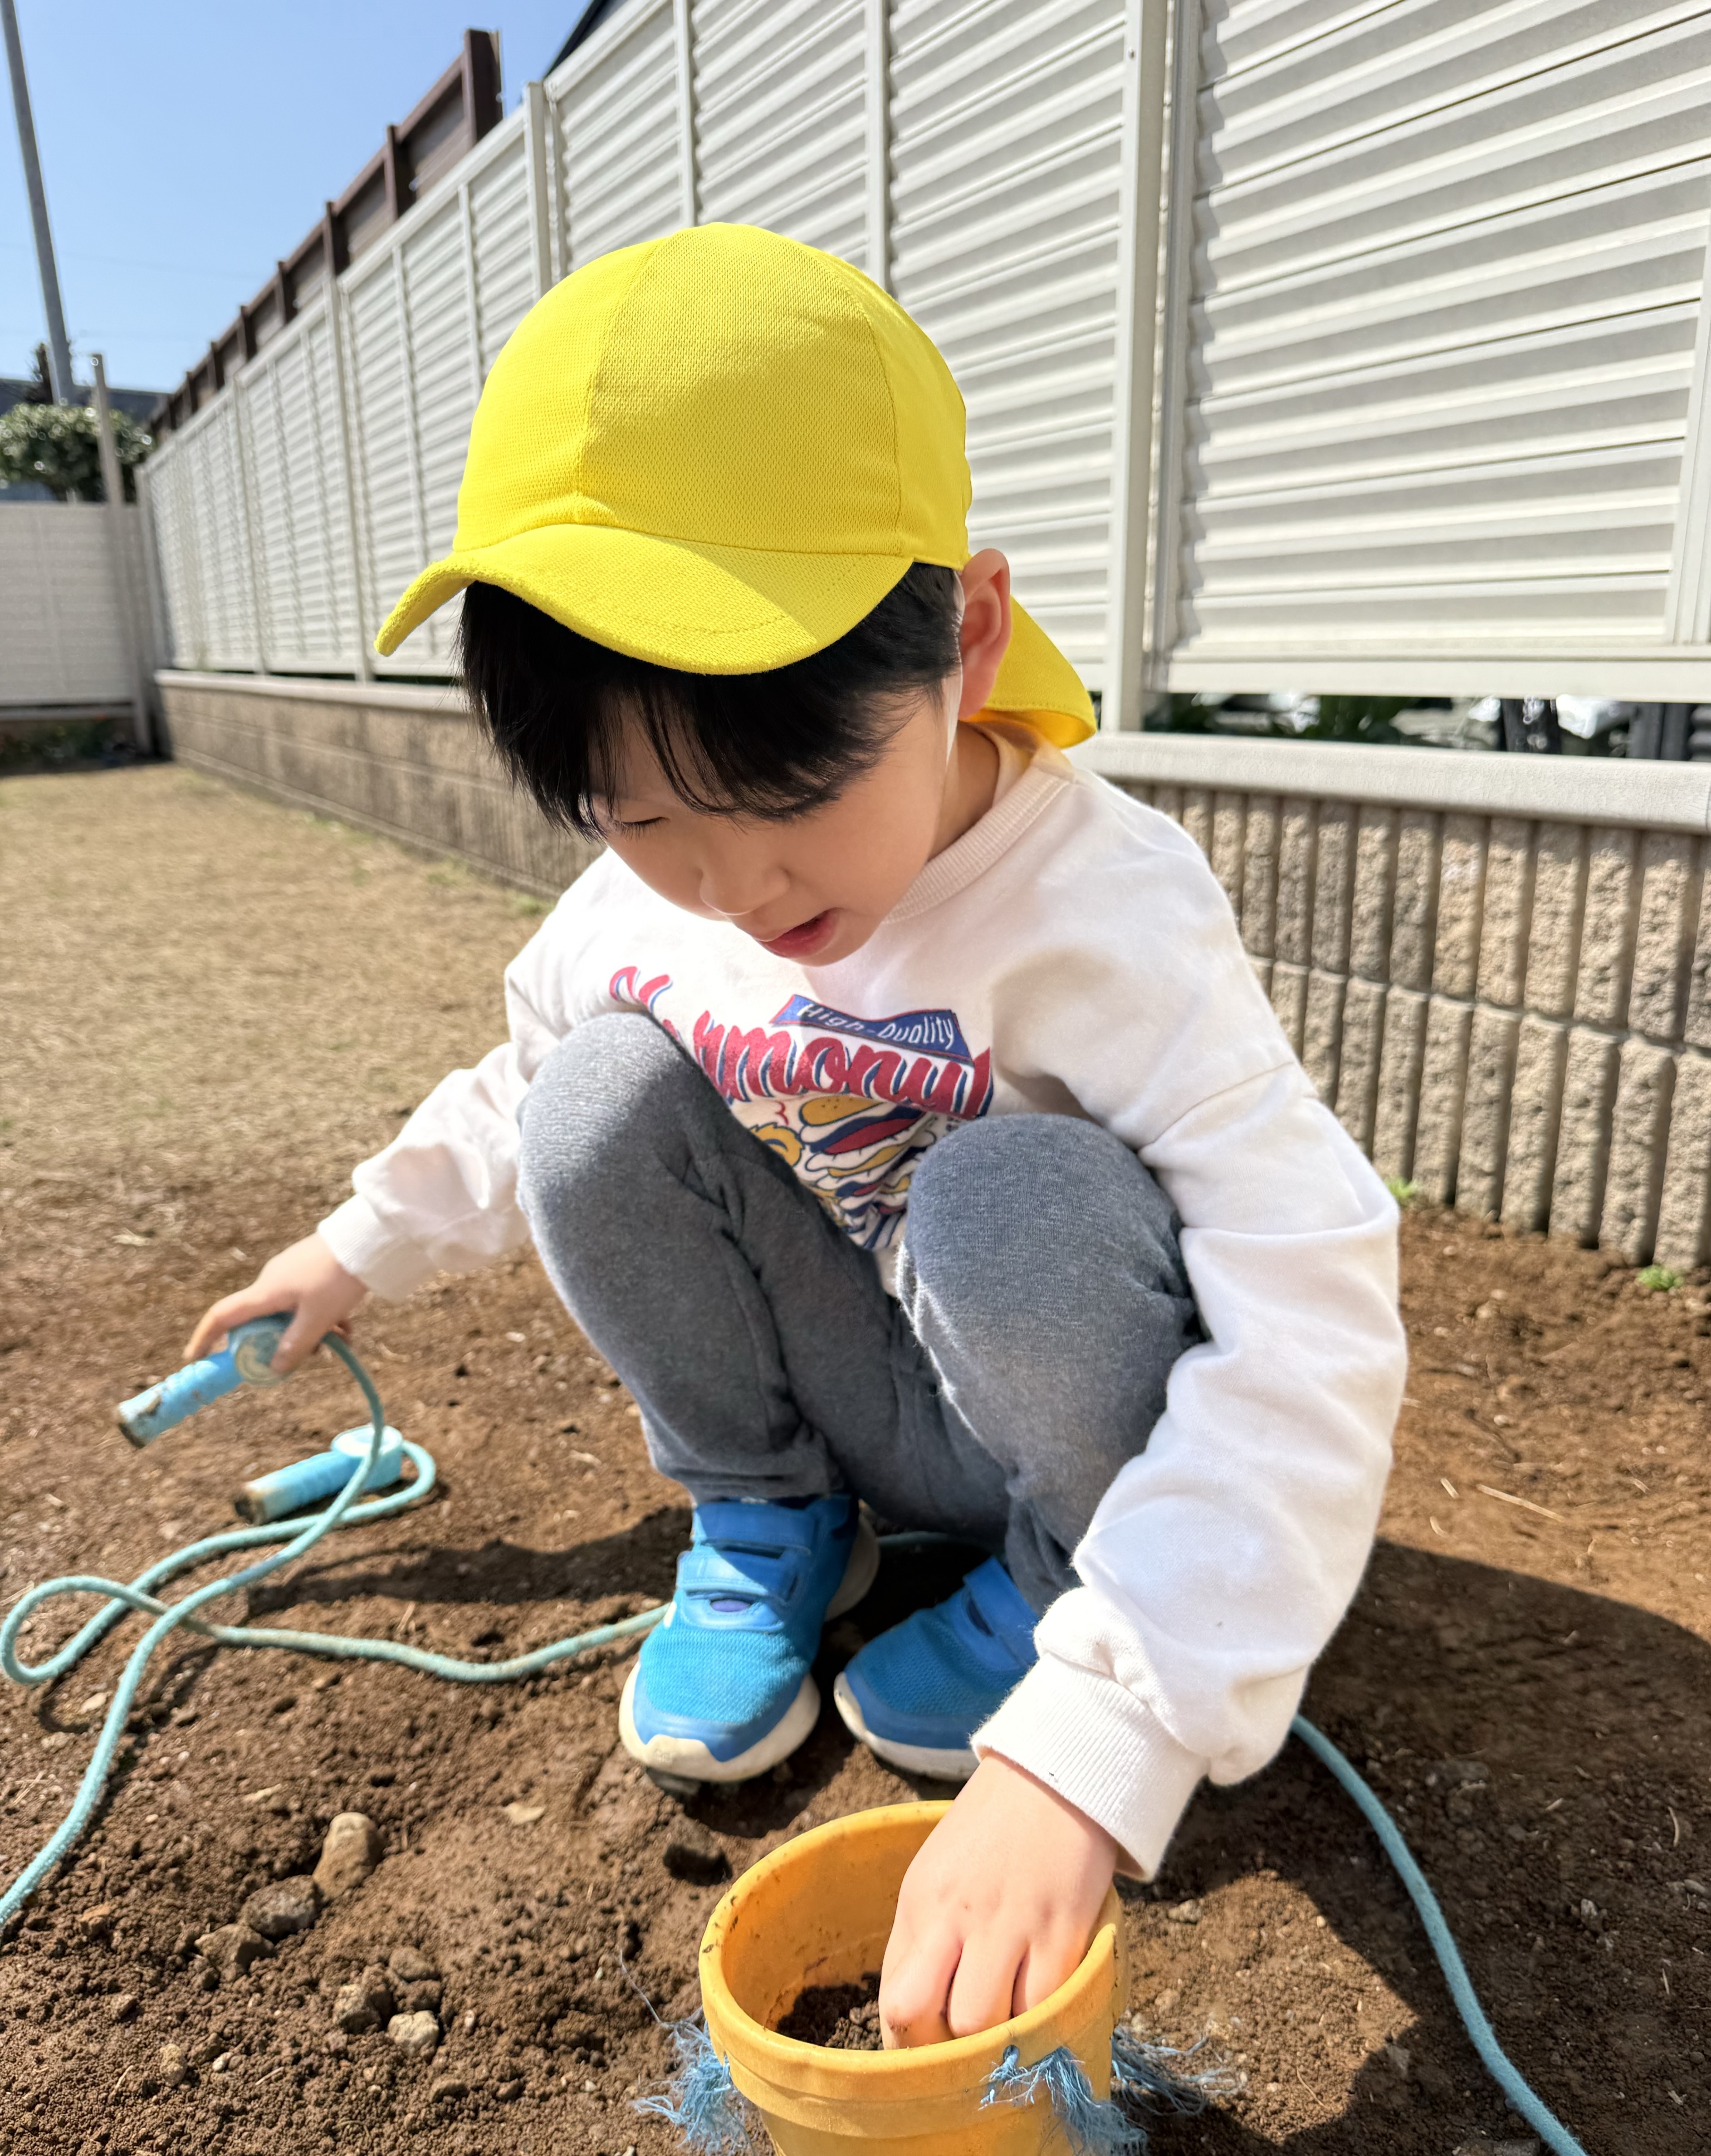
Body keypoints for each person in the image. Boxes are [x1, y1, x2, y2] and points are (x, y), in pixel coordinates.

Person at [185, 225, 1406, 2051]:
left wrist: (1104, 1730)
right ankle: (770, 1520)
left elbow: (1311, 1298)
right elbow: (518, 1092)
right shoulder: (650, 910)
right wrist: (353, 1246)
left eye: (795, 790)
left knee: (1005, 1192)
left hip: (1065, 1422)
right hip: (872, 1391)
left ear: (964, 639)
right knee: (599, 1093)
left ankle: (1058, 1584)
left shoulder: (1106, 910)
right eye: (643, 816)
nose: (738, 888)